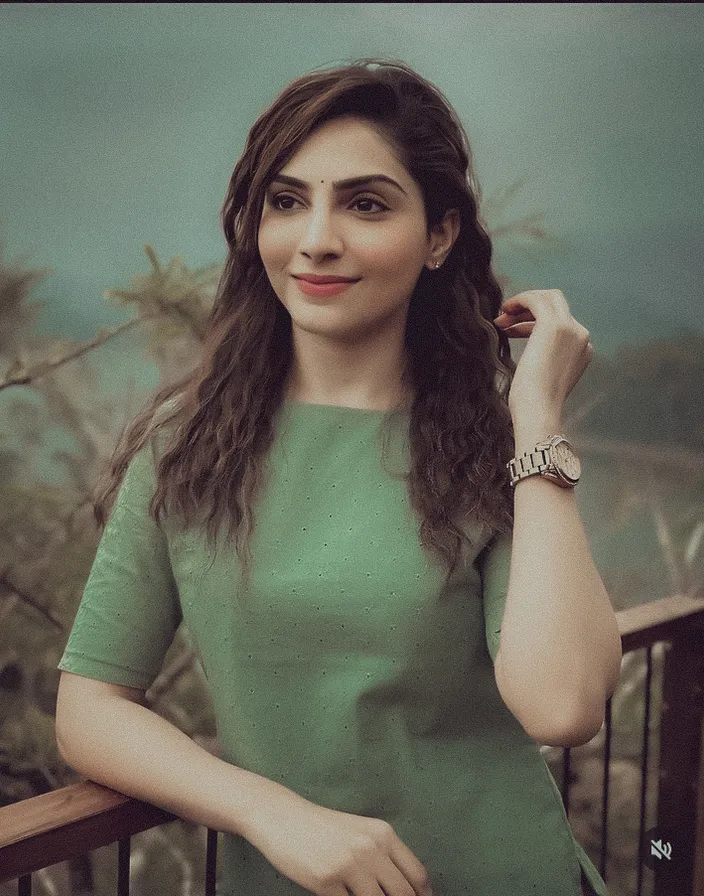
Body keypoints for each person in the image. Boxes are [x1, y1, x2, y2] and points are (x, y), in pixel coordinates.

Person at [55, 58, 622, 896]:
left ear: (439, 235)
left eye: (365, 203)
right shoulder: (190, 445)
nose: (317, 238)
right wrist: (267, 810)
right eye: (287, 201)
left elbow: (564, 706)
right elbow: (89, 706)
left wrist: (535, 419)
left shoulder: (487, 442)